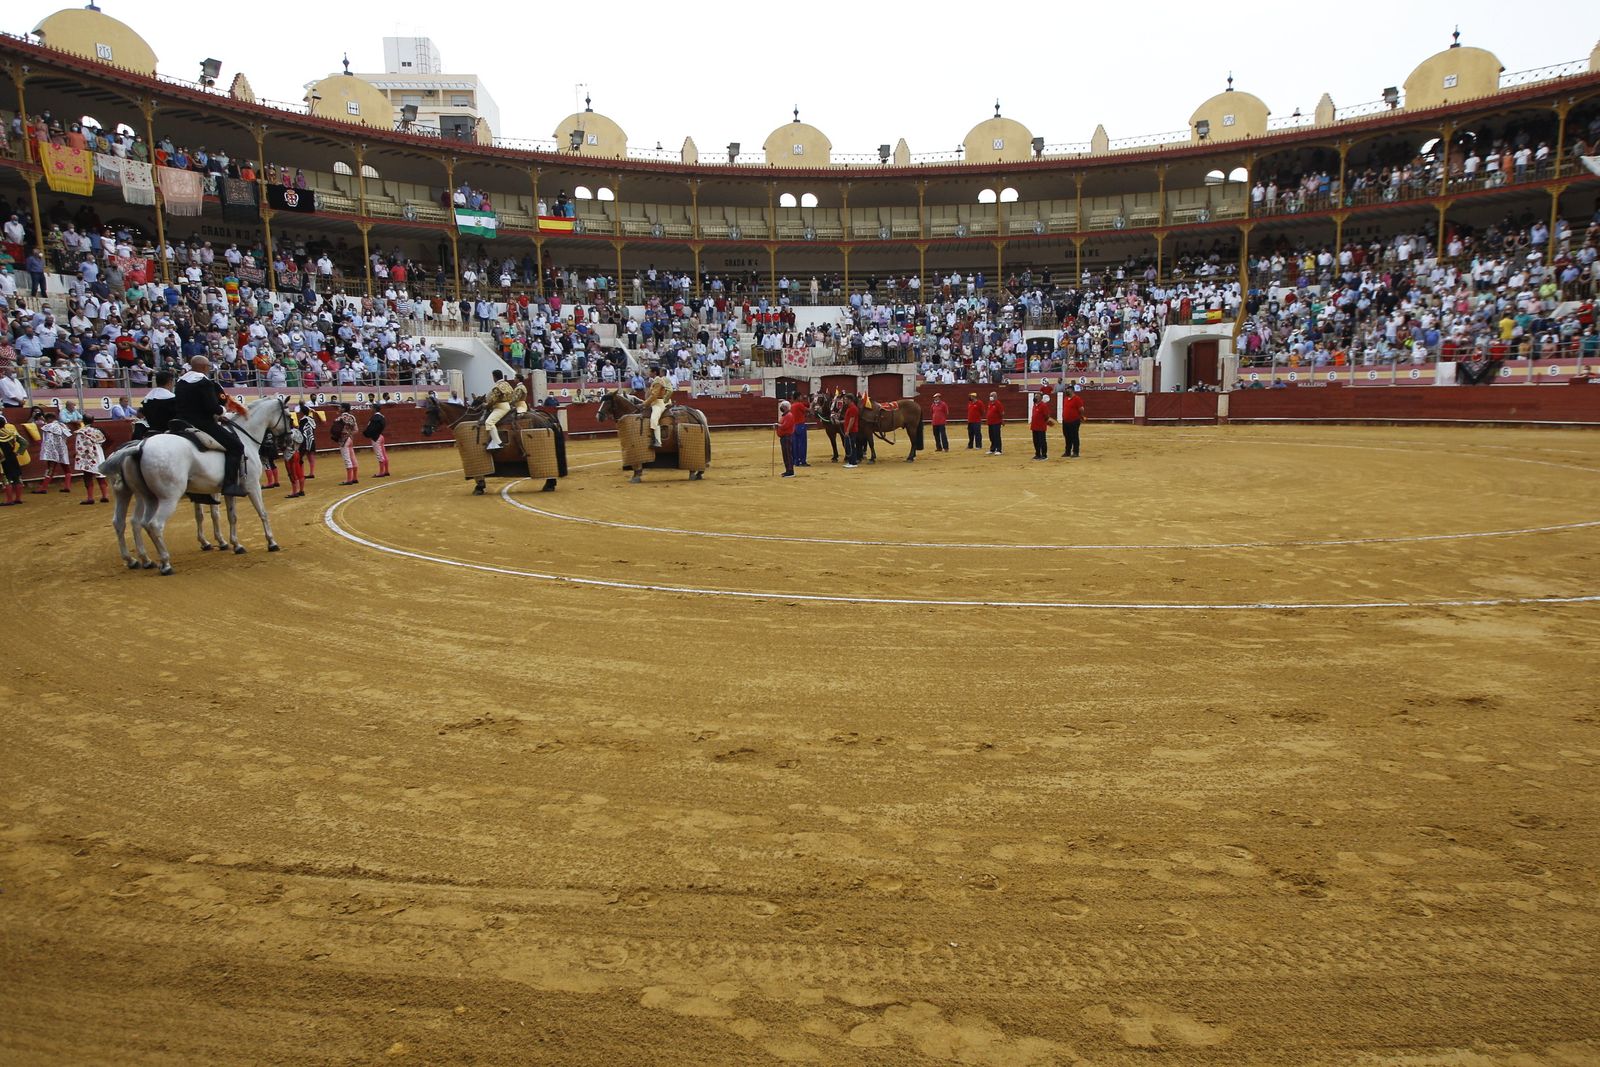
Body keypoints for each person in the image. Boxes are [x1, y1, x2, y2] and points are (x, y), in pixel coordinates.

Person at [174, 356, 246, 496]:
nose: (209, 369)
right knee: (236, 446)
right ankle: (229, 484)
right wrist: (222, 410)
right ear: (203, 367)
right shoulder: (204, 382)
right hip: (202, 423)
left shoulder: (181, 381)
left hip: (181, 422)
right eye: (208, 367)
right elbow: (211, 407)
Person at [35, 409, 74, 494]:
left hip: (52, 450)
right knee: (67, 470)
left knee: (50, 469)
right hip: (62, 449)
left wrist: (47, 451)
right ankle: (67, 486)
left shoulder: (48, 427)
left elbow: (47, 441)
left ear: (49, 419)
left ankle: (43, 488)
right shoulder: (63, 425)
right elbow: (67, 437)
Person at [73, 414, 109, 504]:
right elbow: (108, 440)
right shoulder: (98, 431)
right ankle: (105, 495)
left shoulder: (80, 432)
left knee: (87, 476)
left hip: (87, 456)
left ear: (83, 421)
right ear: (93, 421)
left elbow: (79, 446)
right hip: (98, 454)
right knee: (100, 474)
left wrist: (78, 455)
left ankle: (90, 498)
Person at [482, 370, 516, 450]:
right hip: (507, 405)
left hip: (500, 407)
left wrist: (486, 405)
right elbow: (513, 395)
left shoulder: (497, 387)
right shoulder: (507, 384)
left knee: (489, 422)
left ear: (494, 377)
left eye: (492, 376)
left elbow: (493, 400)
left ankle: (498, 443)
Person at [138, 371, 177, 437]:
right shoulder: (171, 399)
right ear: (170, 382)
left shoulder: (148, 398)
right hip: (169, 432)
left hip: (151, 431)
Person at [644, 365, 674, 446]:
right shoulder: (655, 380)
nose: (648, 372)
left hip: (658, 403)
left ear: (654, 372)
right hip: (655, 402)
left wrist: (644, 403)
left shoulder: (658, 381)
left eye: (650, 371)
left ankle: (657, 441)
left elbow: (654, 396)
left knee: (654, 418)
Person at [0, 419, 26, 505]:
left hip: (2, 459)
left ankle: (9, 500)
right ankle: (18, 499)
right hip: (12, 457)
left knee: (6, 478)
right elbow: (24, 443)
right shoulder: (11, 433)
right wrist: (18, 452)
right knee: (16, 477)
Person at [334, 402, 359, 484]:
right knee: (353, 458)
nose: (339, 409)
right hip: (350, 439)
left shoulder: (339, 418)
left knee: (347, 459)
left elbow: (335, 430)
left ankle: (349, 480)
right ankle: (355, 478)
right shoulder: (352, 417)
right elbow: (356, 430)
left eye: (340, 407)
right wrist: (349, 434)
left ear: (344, 409)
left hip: (343, 440)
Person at [364, 403, 390, 478]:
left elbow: (370, 428)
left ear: (375, 409)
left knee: (379, 455)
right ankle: (386, 471)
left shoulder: (375, 418)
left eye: (372, 408)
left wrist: (366, 433)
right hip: (381, 436)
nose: (371, 409)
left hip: (376, 437)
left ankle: (381, 472)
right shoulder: (382, 416)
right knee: (384, 454)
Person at [1029, 392, 1055, 460]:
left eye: (1037, 396)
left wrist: (1046, 422)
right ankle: (1037, 454)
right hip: (1034, 426)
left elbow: (1046, 416)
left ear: (1041, 398)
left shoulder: (1043, 406)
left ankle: (1044, 455)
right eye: (1035, 396)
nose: (1035, 397)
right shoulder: (1035, 405)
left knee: (1042, 441)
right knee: (1036, 441)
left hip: (1041, 427)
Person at [775, 399, 796, 478]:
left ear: (786, 407)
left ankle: (790, 471)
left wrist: (778, 425)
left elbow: (785, 426)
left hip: (787, 437)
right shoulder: (785, 415)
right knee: (785, 454)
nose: (781, 407)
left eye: (783, 406)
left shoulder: (789, 415)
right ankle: (788, 470)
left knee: (787, 454)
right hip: (783, 437)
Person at [1061, 388, 1085, 458]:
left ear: (1072, 391)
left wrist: (1081, 416)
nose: (1066, 391)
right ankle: (1067, 451)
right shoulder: (1066, 399)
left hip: (1074, 421)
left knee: (1074, 436)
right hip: (1065, 421)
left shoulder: (1077, 399)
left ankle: (1075, 452)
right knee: (1067, 436)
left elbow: (1081, 409)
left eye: (1068, 390)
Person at [790, 391, 810, 467]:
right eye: (801, 396)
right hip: (800, 426)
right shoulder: (799, 405)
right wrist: (813, 404)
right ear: (798, 397)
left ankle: (796, 461)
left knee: (795, 444)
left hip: (794, 427)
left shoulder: (792, 405)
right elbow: (809, 410)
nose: (801, 398)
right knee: (802, 444)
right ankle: (802, 461)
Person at [842, 393, 862, 469]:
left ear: (850, 400)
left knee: (851, 446)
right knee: (849, 446)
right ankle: (851, 461)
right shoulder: (850, 408)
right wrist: (840, 422)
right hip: (850, 430)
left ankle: (853, 462)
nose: (844, 400)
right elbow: (848, 419)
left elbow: (852, 420)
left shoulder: (853, 408)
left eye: (846, 399)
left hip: (852, 431)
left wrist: (847, 430)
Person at [985, 391, 1004, 456]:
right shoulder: (990, 403)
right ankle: (992, 449)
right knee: (991, 436)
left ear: (995, 396)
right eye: (990, 395)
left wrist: (1002, 420)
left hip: (996, 422)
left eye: (992, 395)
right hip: (990, 422)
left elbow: (1001, 413)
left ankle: (999, 449)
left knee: (997, 436)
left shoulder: (998, 403)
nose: (990, 397)